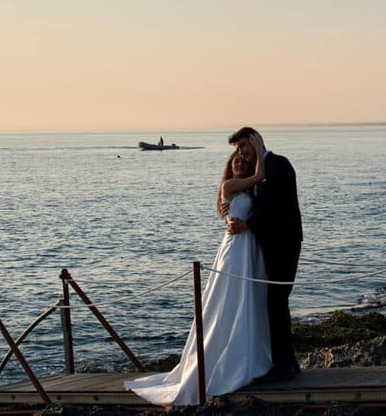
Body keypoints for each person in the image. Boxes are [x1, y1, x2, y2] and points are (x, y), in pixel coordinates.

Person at [125, 139, 272, 405]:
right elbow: (260, 175)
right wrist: (258, 146)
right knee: (228, 299)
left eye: (243, 159)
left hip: (249, 245)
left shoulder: (251, 191)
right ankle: (222, 358)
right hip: (235, 248)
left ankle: (247, 352)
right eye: (235, 160)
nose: (239, 161)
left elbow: (258, 192)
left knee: (247, 297)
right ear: (229, 168)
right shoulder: (229, 186)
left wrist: (248, 224)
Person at [225, 126, 303, 383]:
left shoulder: (278, 165)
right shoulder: (256, 172)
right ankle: (288, 362)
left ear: (255, 142)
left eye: (243, 147)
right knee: (276, 304)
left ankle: (282, 366)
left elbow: (278, 207)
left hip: (283, 245)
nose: (242, 154)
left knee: (276, 302)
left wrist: (249, 225)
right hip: (267, 248)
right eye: (238, 150)